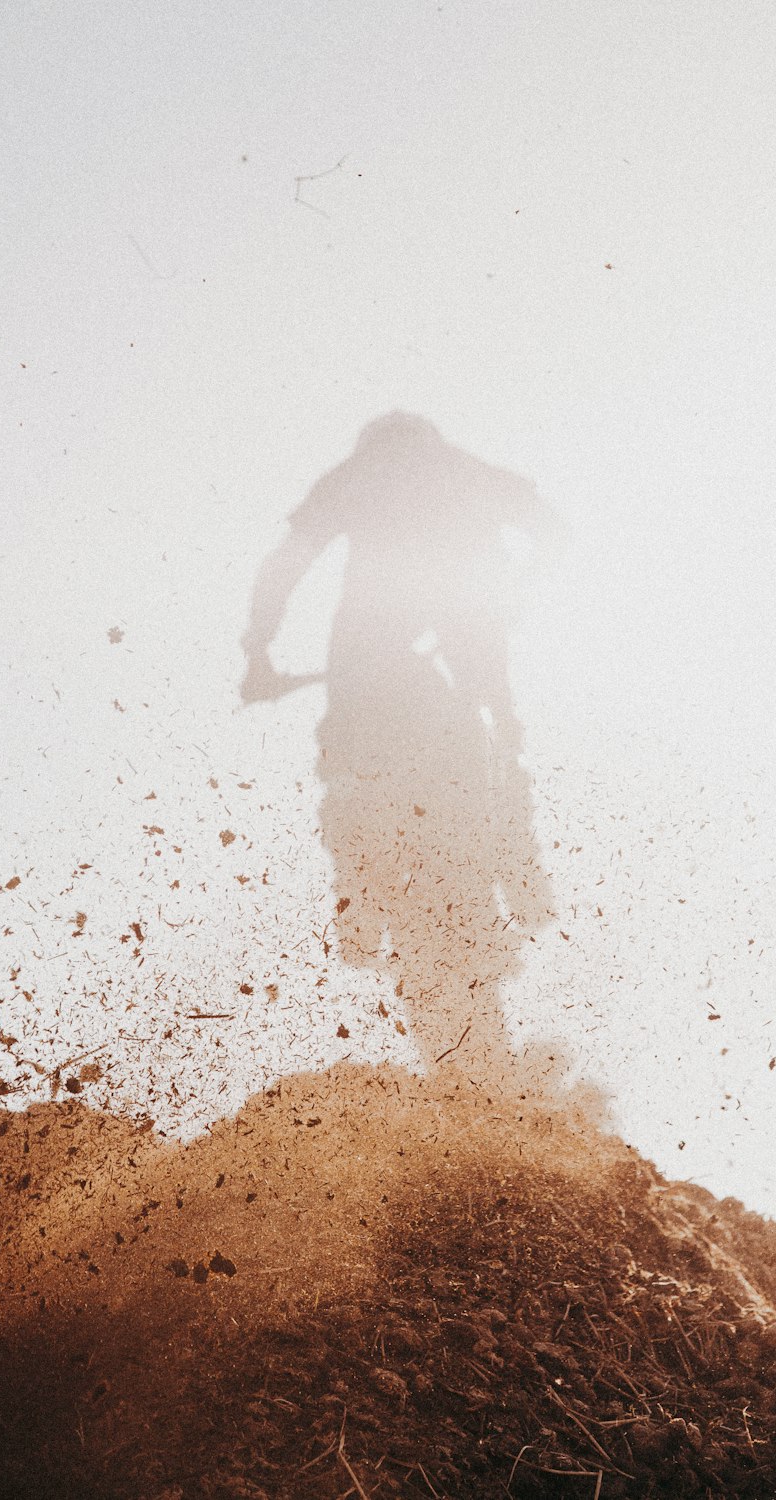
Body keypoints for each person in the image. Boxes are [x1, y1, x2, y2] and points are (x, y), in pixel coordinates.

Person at [242, 412, 563, 1079]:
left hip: (370, 669)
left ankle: (361, 902)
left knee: (357, 781)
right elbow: (552, 529)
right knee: (495, 758)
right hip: (463, 661)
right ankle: (523, 885)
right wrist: (516, 591)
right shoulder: (466, 470)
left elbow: (286, 563)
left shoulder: (361, 474)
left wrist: (259, 650)